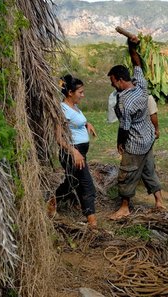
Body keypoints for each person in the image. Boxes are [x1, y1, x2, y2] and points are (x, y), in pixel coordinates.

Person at [107, 35, 165, 219]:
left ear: (119, 80)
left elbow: (124, 127)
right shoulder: (141, 85)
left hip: (135, 144)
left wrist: (119, 143)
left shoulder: (125, 101)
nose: (112, 85)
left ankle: (124, 208)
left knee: (127, 174)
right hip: (148, 139)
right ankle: (159, 202)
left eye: (112, 81)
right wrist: (132, 47)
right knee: (148, 170)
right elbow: (137, 63)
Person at [55, 74, 98, 228]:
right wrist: (74, 152)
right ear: (70, 93)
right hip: (72, 153)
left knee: (72, 181)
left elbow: (77, 121)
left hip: (80, 152)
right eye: (80, 92)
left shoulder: (74, 107)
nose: (83, 95)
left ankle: (52, 202)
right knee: (87, 185)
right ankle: (92, 223)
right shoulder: (62, 109)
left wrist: (87, 124)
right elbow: (59, 138)